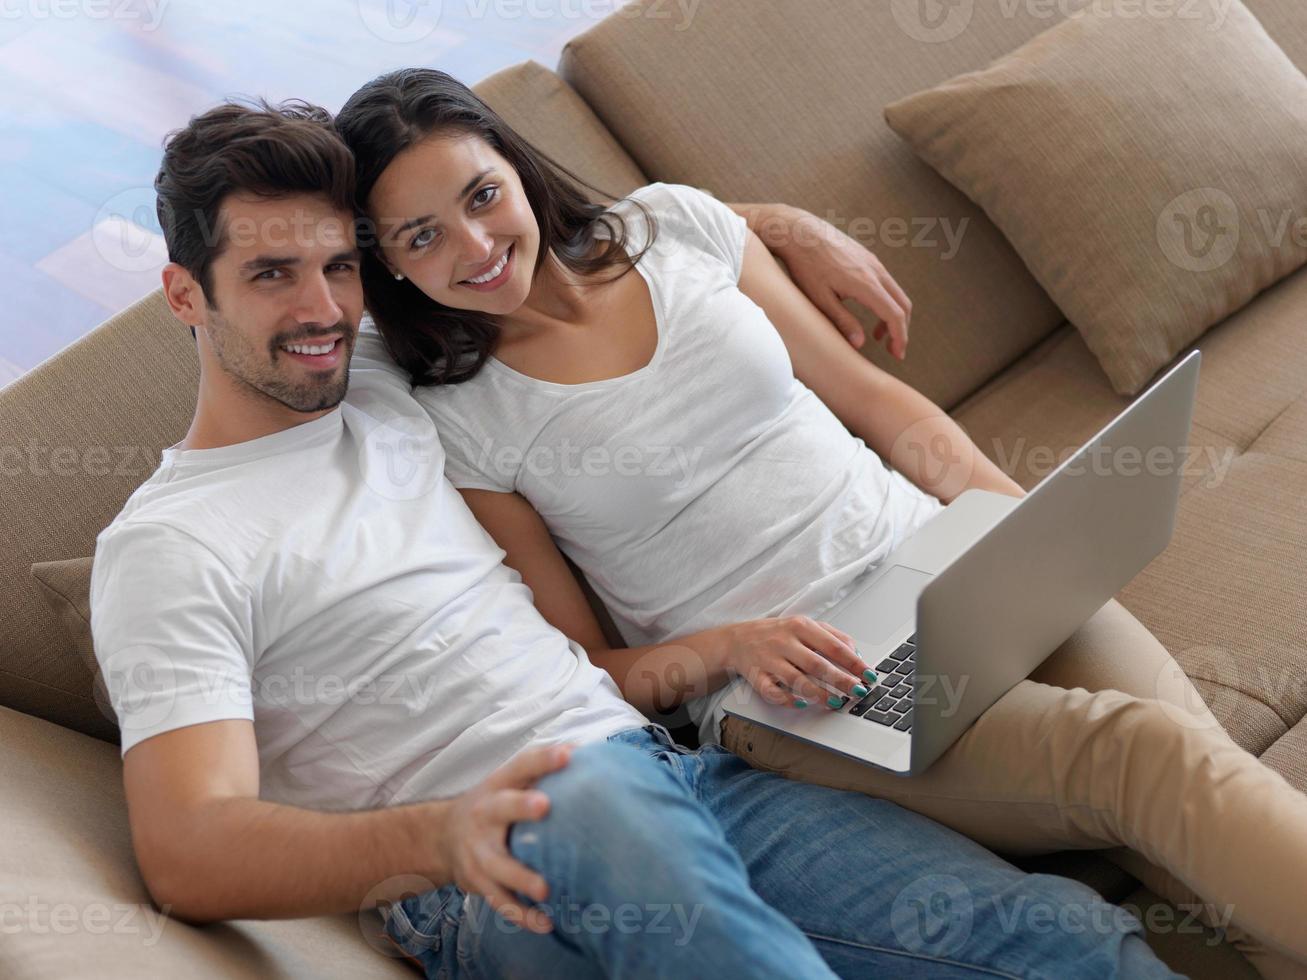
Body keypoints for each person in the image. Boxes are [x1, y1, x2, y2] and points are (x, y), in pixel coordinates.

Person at [86, 98, 1182, 980]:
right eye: (270, 275)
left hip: (676, 773)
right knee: (591, 795)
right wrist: (443, 833)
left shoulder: (384, 383)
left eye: (339, 267)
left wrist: (766, 225)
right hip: (495, 859)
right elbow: (190, 848)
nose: (321, 306)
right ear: (185, 293)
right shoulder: (174, 544)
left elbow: (528, 236)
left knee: (1069, 939)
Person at [334, 66, 1307, 973]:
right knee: (1143, 755)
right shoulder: (458, 417)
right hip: (808, 692)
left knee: (1194, 770)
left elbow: (880, 404)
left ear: (513, 165)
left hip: (951, 559)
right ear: (388, 269)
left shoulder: (676, 227)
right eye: (419, 237)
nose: (473, 245)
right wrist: (731, 647)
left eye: (478, 195)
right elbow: (586, 667)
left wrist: (1023, 525)